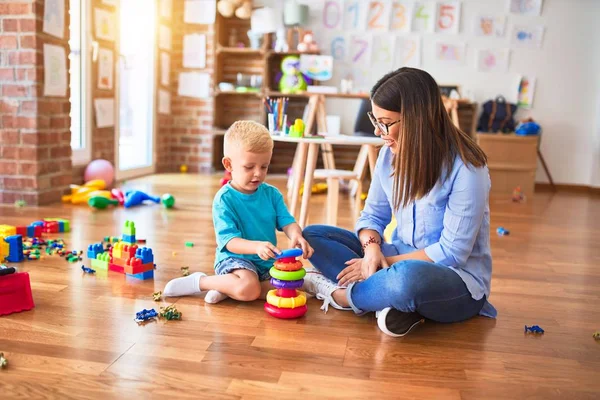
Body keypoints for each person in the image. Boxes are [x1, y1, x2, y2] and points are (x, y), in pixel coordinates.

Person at [302, 68, 497, 337]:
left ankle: (344, 296)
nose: (378, 130)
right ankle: (393, 305)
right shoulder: (388, 156)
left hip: (455, 280)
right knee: (313, 237)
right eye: (376, 120)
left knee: (407, 280)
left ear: (417, 120)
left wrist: (386, 263)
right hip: (394, 258)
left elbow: (452, 252)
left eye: (385, 122)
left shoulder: (467, 168)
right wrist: (371, 252)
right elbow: (372, 217)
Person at [163, 121, 314, 302]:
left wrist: (296, 234)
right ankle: (202, 281)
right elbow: (230, 242)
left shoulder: (272, 194)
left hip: (265, 264)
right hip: (234, 260)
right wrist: (257, 246)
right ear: (228, 164)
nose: (258, 173)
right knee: (250, 289)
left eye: (264, 166)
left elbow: (287, 221)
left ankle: (227, 288)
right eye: (249, 167)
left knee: (288, 287)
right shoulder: (224, 199)